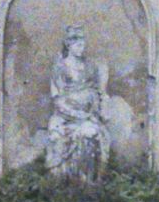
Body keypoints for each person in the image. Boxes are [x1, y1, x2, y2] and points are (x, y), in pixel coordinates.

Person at [45, 25, 110, 180]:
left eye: (83, 44)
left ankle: (87, 182)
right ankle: (61, 183)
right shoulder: (59, 67)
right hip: (65, 117)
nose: (82, 48)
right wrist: (75, 113)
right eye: (79, 45)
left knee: (91, 133)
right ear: (69, 45)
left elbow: (97, 91)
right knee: (57, 137)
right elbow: (57, 98)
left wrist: (95, 110)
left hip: (88, 116)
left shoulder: (89, 67)